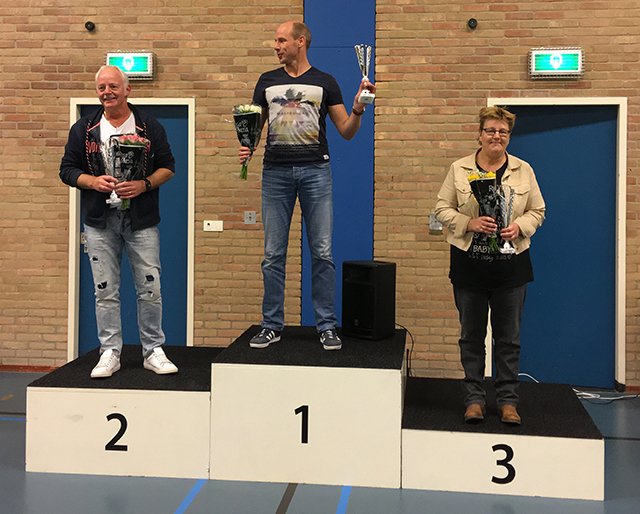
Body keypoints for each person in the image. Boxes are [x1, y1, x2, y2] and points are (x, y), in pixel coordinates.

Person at [239, 20, 375, 351]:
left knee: (323, 253)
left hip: (316, 171)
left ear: (301, 42)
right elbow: (254, 128)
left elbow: (346, 130)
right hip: (275, 173)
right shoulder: (267, 82)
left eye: (281, 40)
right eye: (275, 41)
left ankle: (326, 325)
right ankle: (271, 325)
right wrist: (248, 146)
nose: (276, 46)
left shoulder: (325, 82)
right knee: (273, 254)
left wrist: (358, 109)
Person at [59, 65, 178, 378]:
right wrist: (92, 181)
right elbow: (67, 170)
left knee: (150, 288)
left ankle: (153, 350)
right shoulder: (84, 129)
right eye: (101, 88)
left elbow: (168, 167)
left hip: (142, 221)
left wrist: (144, 184)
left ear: (127, 89)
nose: (107, 92)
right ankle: (110, 351)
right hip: (99, 222)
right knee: (105, 290)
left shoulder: (149, 126)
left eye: (113, 86)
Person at [435, 106, 545, 425]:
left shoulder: (524, 170)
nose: (497, 136)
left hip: (511, 270)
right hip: (469, 267)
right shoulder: (459, 169)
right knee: (471, 337)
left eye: (503, 132)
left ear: (509, 137)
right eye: (491, 130)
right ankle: (474, 400)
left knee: (508, 339)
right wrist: (468, 223)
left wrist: (520, 226)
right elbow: (442, 208)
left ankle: (508, 402)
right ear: (480, 134)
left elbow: (538, 210)